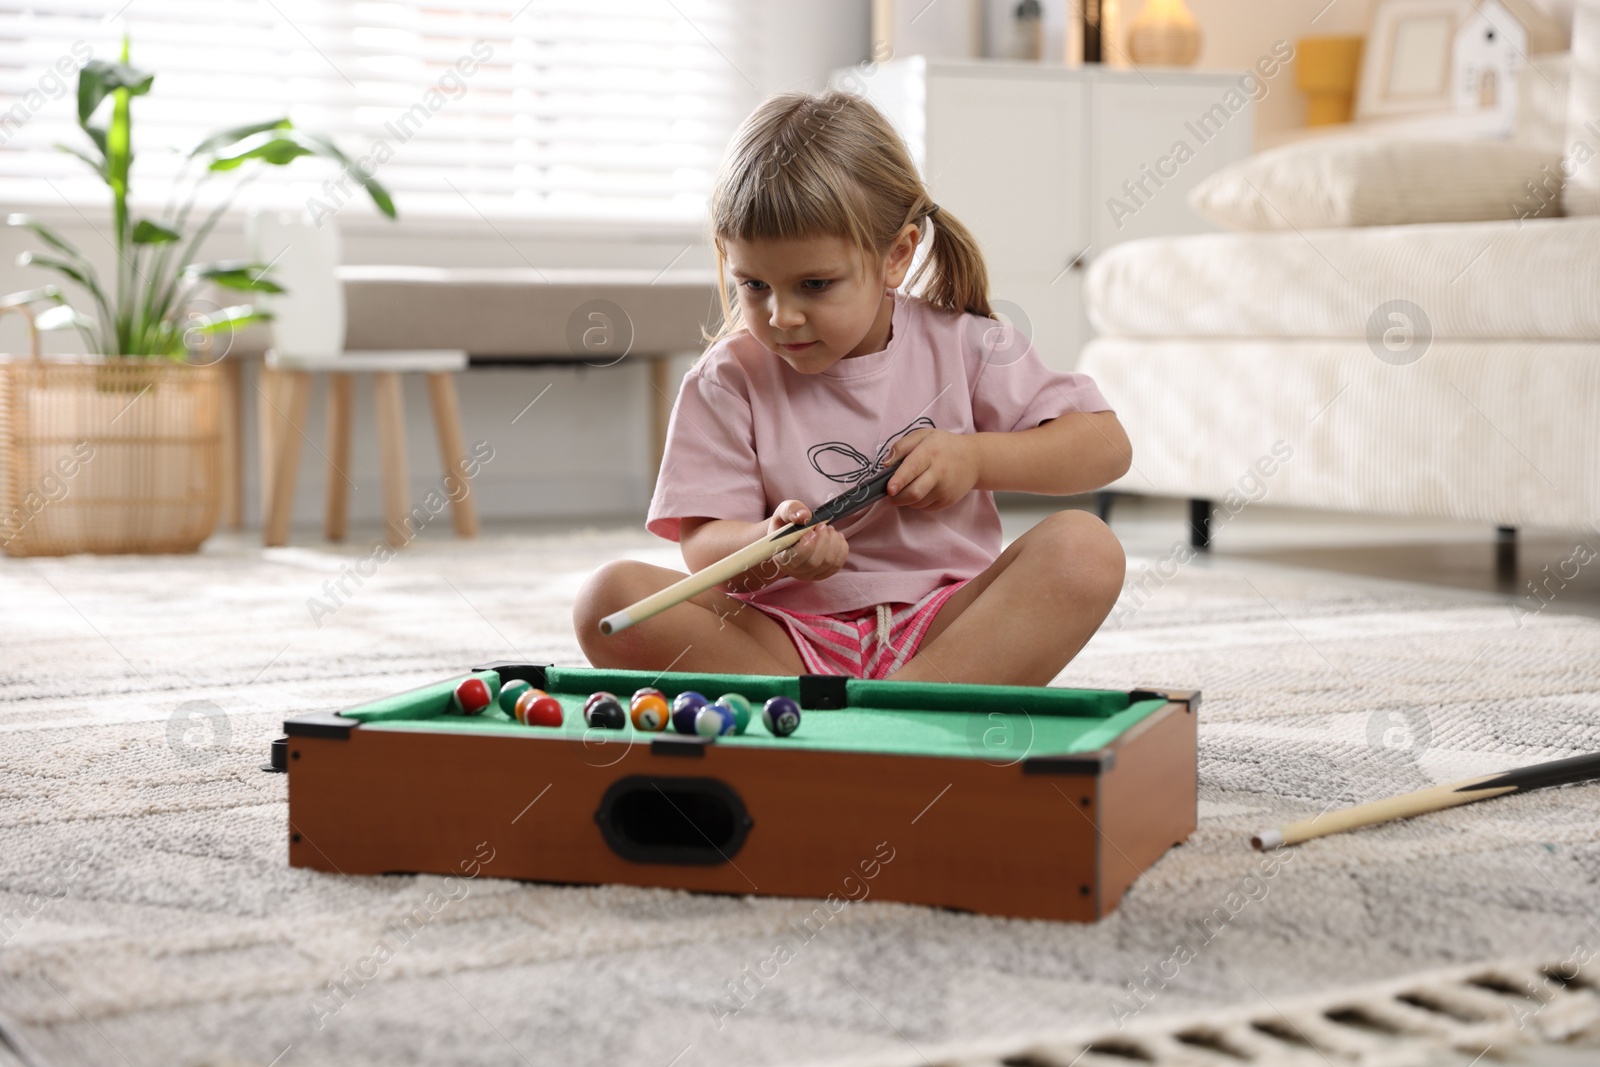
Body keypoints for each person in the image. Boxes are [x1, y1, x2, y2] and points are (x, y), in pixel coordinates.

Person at [574, 90, 1130, 685]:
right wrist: (769, 546)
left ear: (897, 255)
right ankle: (887, 721)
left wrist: (975, 457)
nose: (780, 315)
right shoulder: (728, 377)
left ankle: (902, 704)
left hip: (944, 627)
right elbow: (704, 545)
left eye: (814, 284)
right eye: (754, 285)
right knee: (609, 599)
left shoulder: (970, 344)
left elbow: (1105, 446)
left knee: (1085, 549)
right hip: (786, 635)